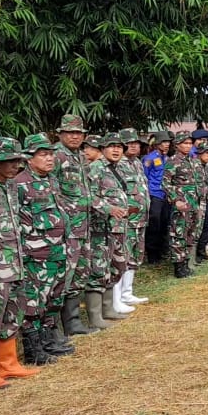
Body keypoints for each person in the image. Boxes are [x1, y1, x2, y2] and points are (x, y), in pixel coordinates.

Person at [0, 137, 40, 381]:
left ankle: (8, 362)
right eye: (10, 161)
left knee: (13, 313)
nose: (16, 166)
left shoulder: (11, 186)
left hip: (15, 261)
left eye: (17, 161)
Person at [13, 134, 73, 362]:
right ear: (29, 158)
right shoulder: (19, 184)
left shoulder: (51, 180)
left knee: (54, 298)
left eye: (51, 154)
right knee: (34, 301)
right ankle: (33, 349)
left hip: (57, 250)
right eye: (43, 154)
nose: (49, 159)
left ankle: (49, 339)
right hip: (35, 254)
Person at [86, 134, 134, 325]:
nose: (116, 150)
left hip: (118, 227)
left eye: (119, 147)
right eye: (111, 146)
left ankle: (108, 308)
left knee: (117, 266)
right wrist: (108, 209)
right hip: (101, 228)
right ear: (102, 149)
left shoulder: (119, 168)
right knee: (99, 269)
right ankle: (95, 316)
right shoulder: (96, 168)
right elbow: (88, 196)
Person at [51, 115, 93, 338]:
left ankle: (73, 321)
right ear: (60, 134)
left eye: (78, 133)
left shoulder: (80, 157)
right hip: (66, 229)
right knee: (63, 276)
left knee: (79, 273)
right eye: (69, 133)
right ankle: (55, 326)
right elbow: (52, 191)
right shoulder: (56, 156)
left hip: (83, 226)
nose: (75, 136)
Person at [118, 129, 150, 306]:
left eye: (136, 143)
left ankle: (127, 292)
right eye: (129, 143)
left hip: (140, 218)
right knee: (124, 254)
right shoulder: (118, 164)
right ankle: (119, 295)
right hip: (126, 220)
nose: (133, 146)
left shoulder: (137, 163)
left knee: (135, 255)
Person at [164, 134, 200, 279]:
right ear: (177, 145)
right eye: (184, 143)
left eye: (190, 143)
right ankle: (178, 266)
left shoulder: (193, 160)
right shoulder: (173, 161)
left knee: (191, 232)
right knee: (179, 232)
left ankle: (186, 262)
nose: (188, 145)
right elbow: (165, 183)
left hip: (194, 202)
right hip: (181, 202)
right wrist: (175, 200)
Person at [142, 132, 172, 264]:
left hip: (166, 195)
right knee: (154, 224)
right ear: (157, 144)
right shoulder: (149, 158)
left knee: (164, 223)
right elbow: (145, 176)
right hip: (154, 195)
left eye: (168, 142)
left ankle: (162, 251)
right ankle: (152, 254)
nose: (166, 145)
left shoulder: (166, 158)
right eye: (163, 142)